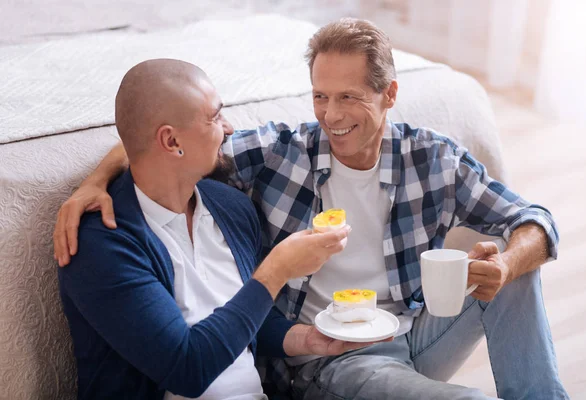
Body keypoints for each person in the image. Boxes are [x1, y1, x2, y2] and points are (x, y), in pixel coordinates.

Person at [55, 19, 569, 400]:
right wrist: (94, 181)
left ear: (390, 94)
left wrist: (503, 265)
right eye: (320, 96)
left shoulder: (432, 159)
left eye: (348, 97)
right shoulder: (280, 154)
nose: (331, 115)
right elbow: (152, 143)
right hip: (335, 362)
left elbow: (537, 222)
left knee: (517, 271)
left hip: (409, 330)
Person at [56, 58, 388, 400]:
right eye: (215, 117)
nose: (228, 128)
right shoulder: (101, 245)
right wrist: (276, 271)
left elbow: (241, 320)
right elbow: (188, 369)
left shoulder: (230, 207)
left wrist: (306, 339)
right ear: (171, 142)